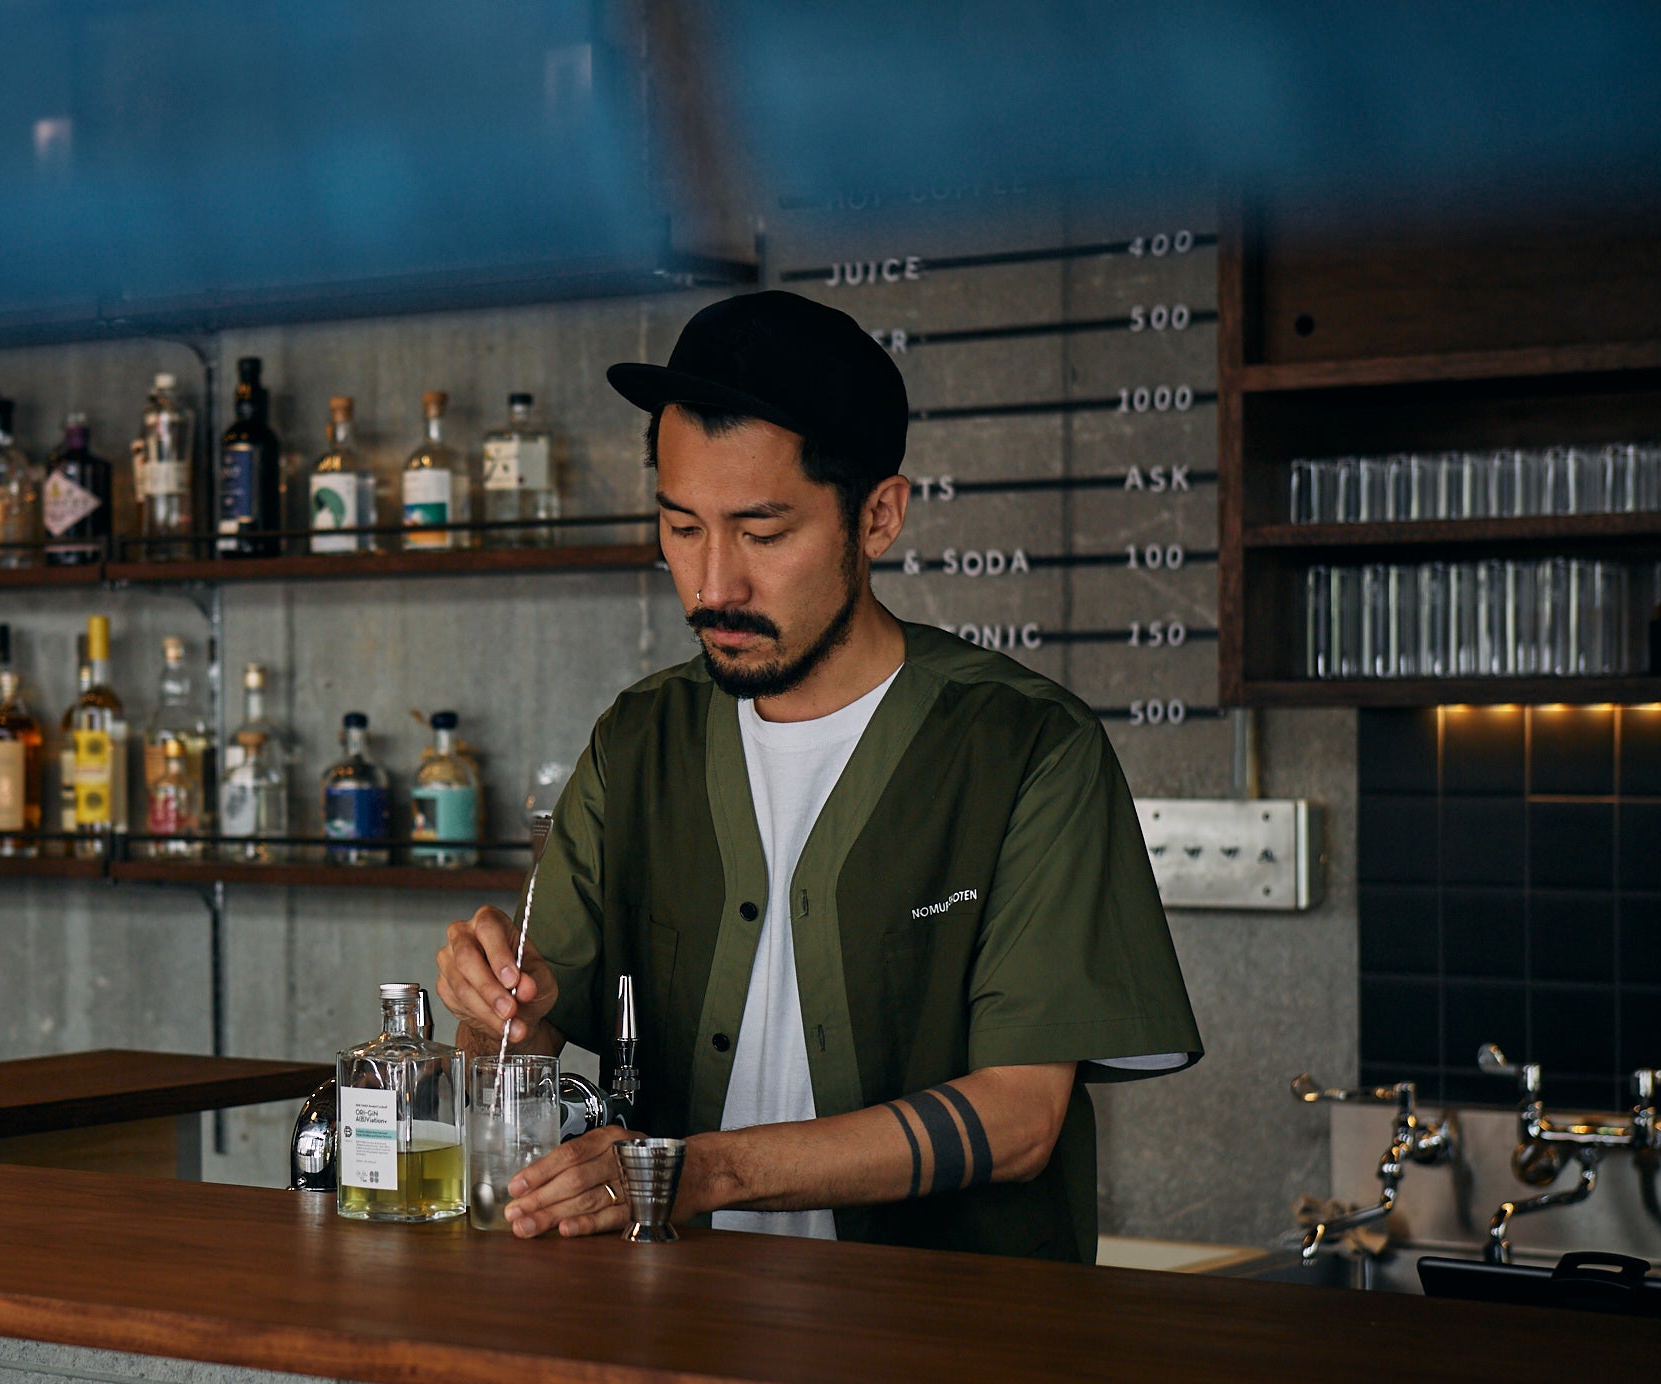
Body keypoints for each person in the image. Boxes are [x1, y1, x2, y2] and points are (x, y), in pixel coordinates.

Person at [435, 289, 1200, 1260]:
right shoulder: (637, 742)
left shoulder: (1026, 747)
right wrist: (496, 1011)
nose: (714, 585)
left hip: (943, 1335)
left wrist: (705, 1170)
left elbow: (1021, 1117)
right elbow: (523, 1050)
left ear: (877, 516)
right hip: (677, 1322)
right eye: (681, 527)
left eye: (762, 534)